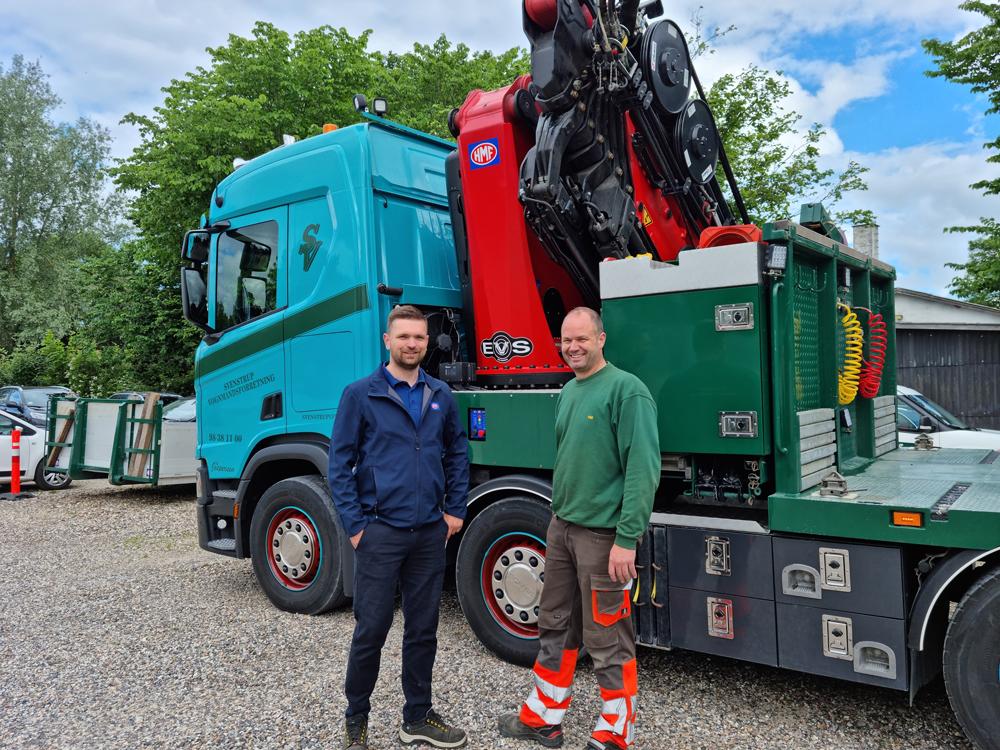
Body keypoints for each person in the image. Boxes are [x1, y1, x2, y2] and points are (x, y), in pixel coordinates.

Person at [498, 307, 660, 750]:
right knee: (555, 623)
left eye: (582, 339)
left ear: (601, 339)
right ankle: (544, 718)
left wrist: (627, 539)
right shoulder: (569, 391)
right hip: (562, 528)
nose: (572, 347)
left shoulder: (628, 392)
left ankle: (615, 730)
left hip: (602, 537)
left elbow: (642, 471)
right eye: (566, 340)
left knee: (607, 634)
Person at [328, 304, 470, 750]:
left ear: (428, 343)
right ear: (387, 341)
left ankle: (417, 716)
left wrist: (455, 510)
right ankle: (357, 717)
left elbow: (457, 454)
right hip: (380, 532)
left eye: (420, 338)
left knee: (423, 628)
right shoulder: (360, 394)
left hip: (429, 533)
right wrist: (356, 527)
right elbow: (339, 465)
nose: (412, 344)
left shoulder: (440, 394)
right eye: (404, 336)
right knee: (371, 628)